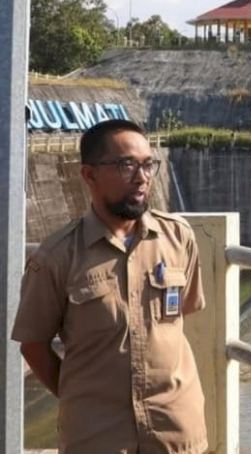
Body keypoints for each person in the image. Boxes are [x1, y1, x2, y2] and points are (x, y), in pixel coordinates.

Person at [13, 119, 207, 453]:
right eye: (127, 165)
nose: (142, 177)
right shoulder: (57, 257)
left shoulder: (178, 238)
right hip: (98, 439)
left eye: (148, 164)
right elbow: (34, 346)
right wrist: (84, 399)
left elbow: (182, 313)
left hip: (176, 433)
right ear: (89, 175)